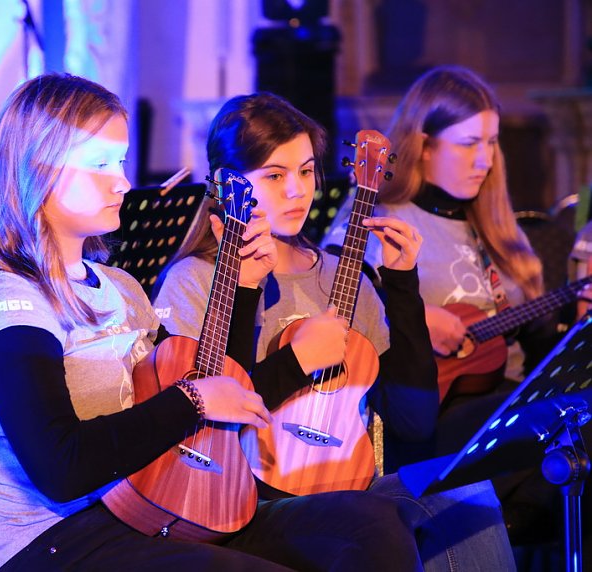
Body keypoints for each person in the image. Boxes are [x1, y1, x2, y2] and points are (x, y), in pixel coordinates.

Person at [0, 73, 423, 571]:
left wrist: (241, 289)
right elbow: (62, 468)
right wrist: (191, 401)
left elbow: (219, 394)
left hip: (158, 511)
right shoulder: (7, 304)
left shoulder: (122, 288)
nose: (124, 182)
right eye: (99, 165)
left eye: (122, 161)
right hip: (57, 544)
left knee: (373, 526)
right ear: (36, 170)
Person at [154, 91, 516, 571]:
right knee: (371, 521)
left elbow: (414, 423)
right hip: (247, 496)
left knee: (465, 497)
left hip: (350, 481)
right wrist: (295, 359)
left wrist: (403, 286)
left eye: (306, 171)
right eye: (274, 176)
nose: (296, 191)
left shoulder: (342, 276)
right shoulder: (193, 280)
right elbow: (197, 430)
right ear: (230, 185)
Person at [320, 65, 575, 546]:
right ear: (425, 145)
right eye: (468, 143)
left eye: (492, 142)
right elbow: (335, 301)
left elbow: (541, 348)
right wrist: (411, 314)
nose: (485, 159)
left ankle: (516, 523)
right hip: (433, 419)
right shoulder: (384, 217)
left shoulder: (497, 230)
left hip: (511, 400)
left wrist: (571, 319)